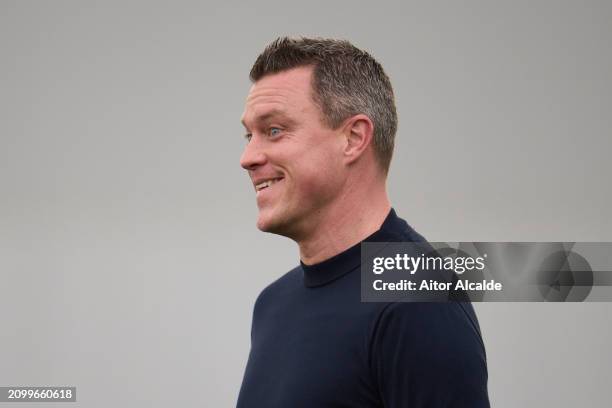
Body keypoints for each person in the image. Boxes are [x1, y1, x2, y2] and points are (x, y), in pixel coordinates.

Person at [236, 37, 489, 407]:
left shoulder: (418, 299)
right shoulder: (273, 304)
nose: (248, 157)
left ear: (353, 139)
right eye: (248, 135)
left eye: (274, 130)